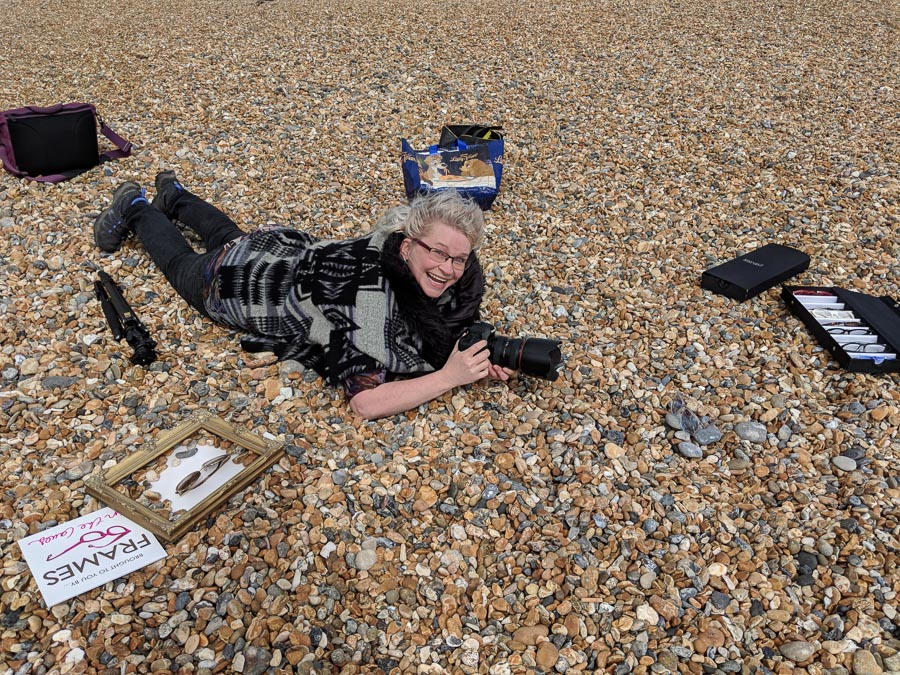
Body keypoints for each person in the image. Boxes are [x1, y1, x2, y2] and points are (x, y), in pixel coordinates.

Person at [93, 173, 512, 419]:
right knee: (184, 263)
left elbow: (435, 322)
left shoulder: (390, 251)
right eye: (437, 253)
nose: (448, 270)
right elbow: (365, 402)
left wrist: (475, 357)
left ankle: (175, 195)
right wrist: (449, 376)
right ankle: (136, 206)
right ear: (407, 243)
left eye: (458, 259)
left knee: (230, 237)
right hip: (241, 284)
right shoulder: (364, 299)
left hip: (282, 249)